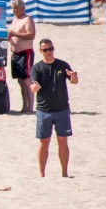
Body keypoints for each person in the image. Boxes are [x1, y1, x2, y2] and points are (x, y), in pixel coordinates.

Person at [30, 38, 76, 178]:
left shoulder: (62, 65)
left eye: (51, 49)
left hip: (62, 109)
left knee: (63, 140)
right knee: (44, 142)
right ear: (41, 51)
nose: (49, 52)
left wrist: (73, 77)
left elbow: (74, 82)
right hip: (44, 110)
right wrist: (35, 87)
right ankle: (42, 174)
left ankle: (64, 173)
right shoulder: (37, 68)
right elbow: (33, 86)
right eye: (45, 50)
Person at [7, 0, 36, 113]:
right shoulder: (15, 20)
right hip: (16, 54)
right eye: (12, 8)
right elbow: (13, 35)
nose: (14, 10)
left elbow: (31, 35)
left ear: (22, 8)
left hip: (25, 53)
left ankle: (30, 107)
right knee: (20, 81)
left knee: (27, 80)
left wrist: (15, 34)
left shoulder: (27, 19)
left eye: (16, 8)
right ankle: (25, 106)